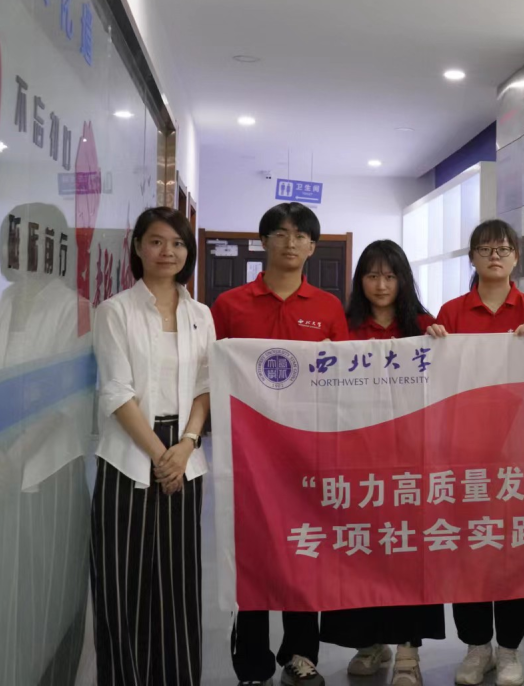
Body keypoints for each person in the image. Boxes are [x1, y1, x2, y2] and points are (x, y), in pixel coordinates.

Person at [212, 202, 349, 686]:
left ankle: (301, 653)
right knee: (251, 553)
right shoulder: (230, 305)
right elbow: (213, 374)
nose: (291, 243)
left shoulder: (328, 308)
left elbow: (344, 380)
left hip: (307, 452)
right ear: (263, 240)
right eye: (281, 233)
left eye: (301, 236)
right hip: (248, 453)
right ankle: (251, 660)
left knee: (304, 550)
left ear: (312, 247)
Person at [91, 207, 214, 686]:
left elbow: (206, 386)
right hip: (129, 455)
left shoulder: (201, 314)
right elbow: (115, 392)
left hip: (184, 455)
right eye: (157, 241)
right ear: (139, 246)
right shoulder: (115, 310)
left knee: (177, 585)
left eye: (178, 243)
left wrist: (186, 445)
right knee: (122, 585)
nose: (168, 252)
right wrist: (161, 455)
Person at [321, 239, 444, 686]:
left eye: (390, 276)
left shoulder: (425, 326)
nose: (381, 285)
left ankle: (409, 650)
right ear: (360, 281)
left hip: (412, 460)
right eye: (372, 276)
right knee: (361, 551)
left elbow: (448, 383)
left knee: (409, 552)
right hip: (357, 459)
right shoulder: (344, 326)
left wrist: (443, 345)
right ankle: (369, 643)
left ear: (403, 280)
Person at [428, 220, 524, 686]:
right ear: (472, 258)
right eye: (485, 249)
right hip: (465, 452)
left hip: (521, 453)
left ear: (516, 256)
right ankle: (477, 647)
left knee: (516, 550)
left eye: (503, 249)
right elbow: (436, 379)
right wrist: (434, 344)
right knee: (470, 549)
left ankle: (510, 649)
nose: (494, 256)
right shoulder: (452, 312)